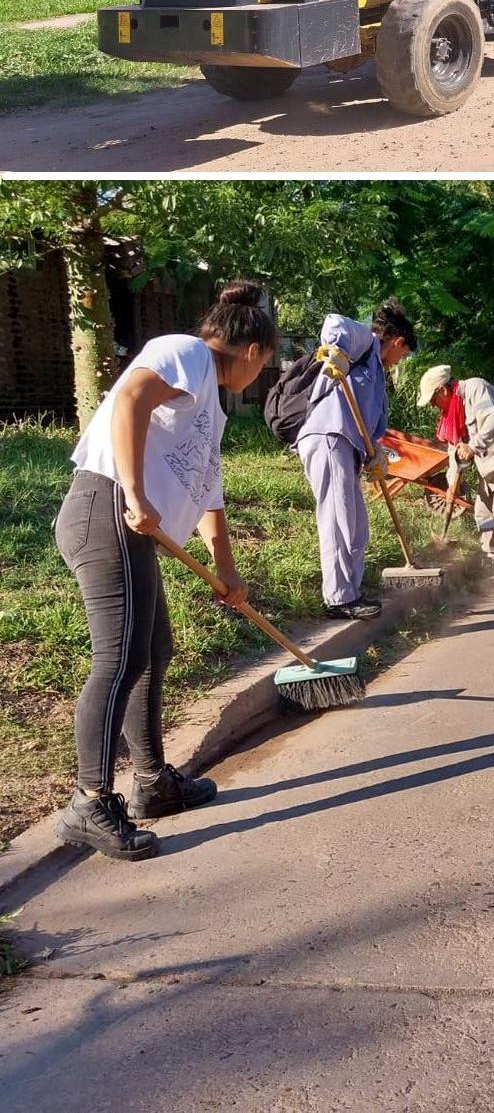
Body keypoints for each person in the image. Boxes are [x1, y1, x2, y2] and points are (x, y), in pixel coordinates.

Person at [51, 281, 276, 862]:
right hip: (105, 511)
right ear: (252, 351)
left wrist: (229, 570)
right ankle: (89, 801)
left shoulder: (211, 407)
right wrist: (133, 490)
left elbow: (209, 495)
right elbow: (128, 400)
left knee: (152, 651)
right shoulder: (186, 352)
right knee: (120, 657)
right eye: (266, 365)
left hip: (130, 526)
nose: (260, 375)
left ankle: (153, 783)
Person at [295, 299, 416, 620]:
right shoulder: (367, 343)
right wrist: (337, 354)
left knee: (357, 525)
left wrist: (374, 455)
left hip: (347, 445)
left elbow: (370, 427)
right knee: (338, 520)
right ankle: (338, 598)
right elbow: (334, 322)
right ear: (398, 342)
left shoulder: (376, 372)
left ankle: (351, 592)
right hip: (327, 436)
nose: (398, 362)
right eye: (402, 356)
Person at [418, 364, 494, 579]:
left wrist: (473, 447)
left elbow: (492, 421)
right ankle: (491, 558)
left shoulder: (476, 388)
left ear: (443, 391)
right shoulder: (452, 413)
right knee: (483, 510)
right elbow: (455, 450)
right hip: (490, 464)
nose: (434, 406)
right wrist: (451, 485)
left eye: (433, 400)